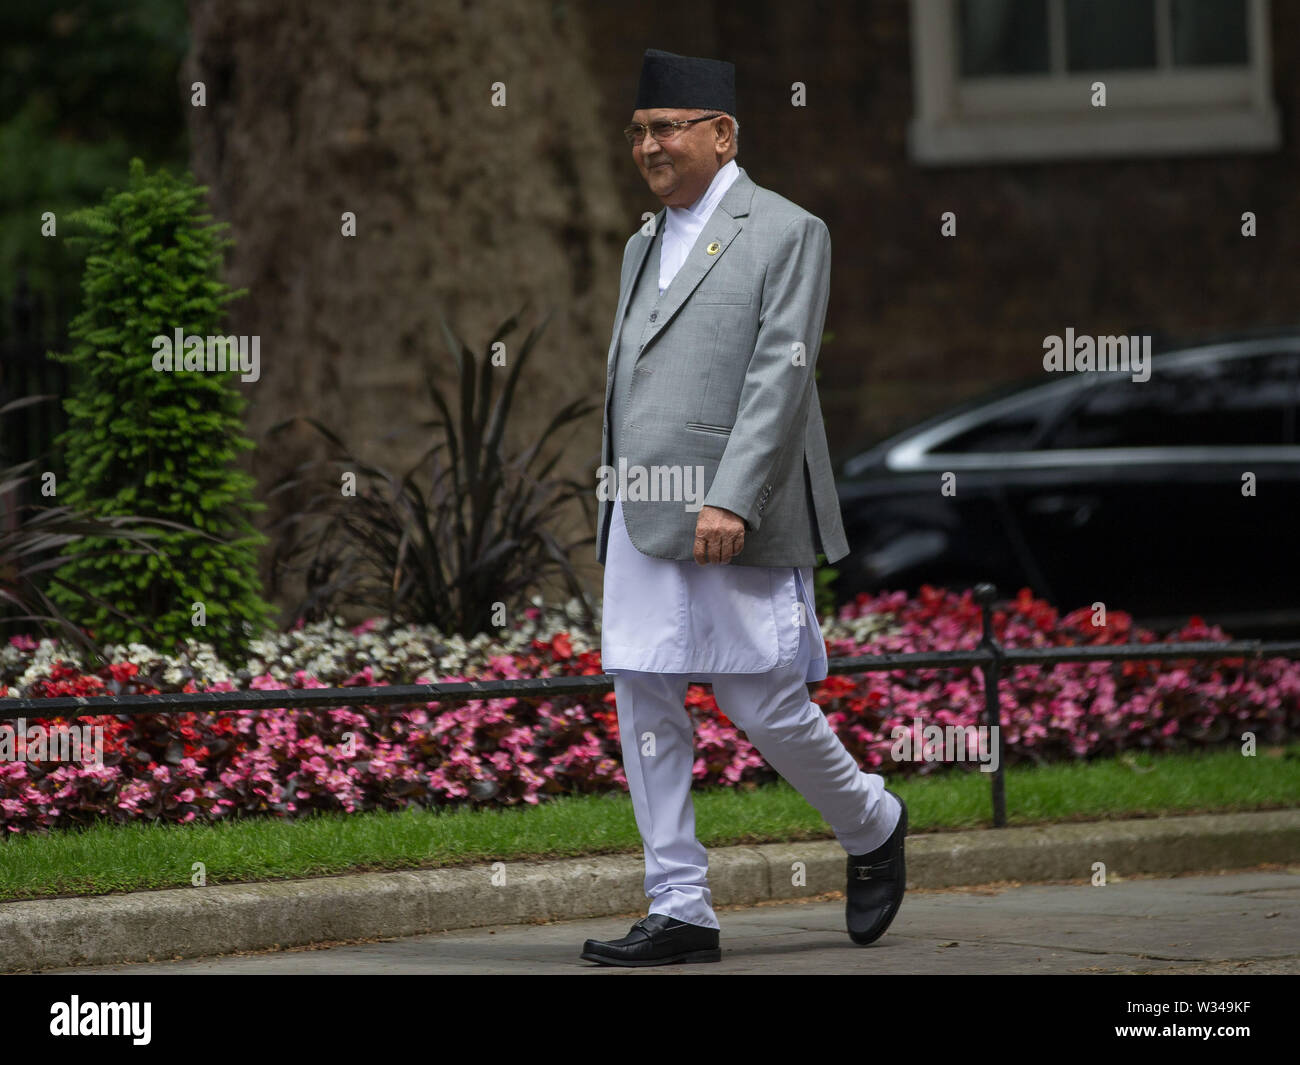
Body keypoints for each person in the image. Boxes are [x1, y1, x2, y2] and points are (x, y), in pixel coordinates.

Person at [580, 48, 907, 968]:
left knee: (761, 698)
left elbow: (781, 376)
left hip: (736, 511)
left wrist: (730, 496)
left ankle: (874, 822)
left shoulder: (788, 230)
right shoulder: (641, 243)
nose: (649, 144)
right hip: (642, 510)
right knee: (643, 693)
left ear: (722, 135)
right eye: (640, 130)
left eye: (667, 128)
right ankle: (680, 906)